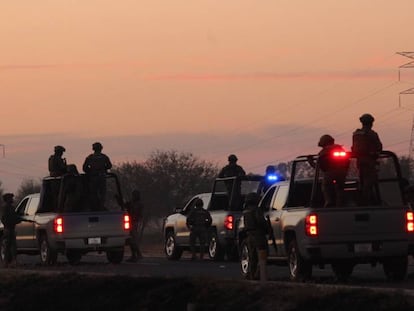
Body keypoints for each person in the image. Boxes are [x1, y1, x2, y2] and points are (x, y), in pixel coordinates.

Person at [308, 134, 349, 207]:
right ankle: (341, 203)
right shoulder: (340, 148)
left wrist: (311, 161)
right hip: (342, 172)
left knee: (325, 186)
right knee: (340, 188)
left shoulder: (324, 151)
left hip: (330, 173)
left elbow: (318, 166)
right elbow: (347, 162)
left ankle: (329, 201)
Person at [352, 113, 383, 204]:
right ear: (371, 123)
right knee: (369, 182)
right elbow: (379, 147)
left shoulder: (356, 133)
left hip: (360, 162)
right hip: (369, 161)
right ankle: (366, 200)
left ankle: (364, 199)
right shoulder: (371, 134)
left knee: (362, 180)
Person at [242, 192, 269, 282]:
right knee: (263, 254)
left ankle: (251, 275)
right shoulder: (256, 210)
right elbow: (260, 221)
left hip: (249, 235)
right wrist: (267, 228)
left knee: (252, 256)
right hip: (258, 234)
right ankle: (260, 275)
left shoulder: (246, 211)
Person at [82, 142, 112, 210]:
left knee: (93, 193)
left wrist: (91, 172)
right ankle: (101, 206)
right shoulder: (104, 157)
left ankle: (95, 207)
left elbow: (84, 168)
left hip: (93, 178)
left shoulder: (90, 157)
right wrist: (103, 169)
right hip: (101, 177)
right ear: (101, 148)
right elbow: (109, 166)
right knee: (102, 193)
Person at [1, 193, 21, 268]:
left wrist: (17, 219)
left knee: (13, 246)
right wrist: (13, 222)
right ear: (7, 199)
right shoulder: (5, 207)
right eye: (11, 198)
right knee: (8, 246)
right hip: (8, 229)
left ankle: (13, 261)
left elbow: (15, 217)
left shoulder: (11, 207)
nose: (12, 199)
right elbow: (4, 219)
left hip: (11, 229)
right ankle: (6, 262)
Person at [125, 189, 144, 262]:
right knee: (131, 240)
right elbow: (125, 206)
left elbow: (139, 214)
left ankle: (138, 254)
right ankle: (135, 255)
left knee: (133, 240)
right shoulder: (132, 203)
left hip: (135, 223)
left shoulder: (139, 204)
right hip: (131, 222)